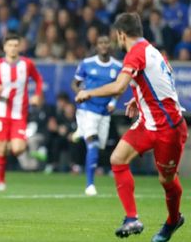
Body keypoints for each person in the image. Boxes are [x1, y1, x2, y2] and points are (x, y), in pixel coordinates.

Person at [76, 12, 187, 241]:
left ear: (120, 34)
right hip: (148, 123)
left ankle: (173, 220)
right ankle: (132, 218)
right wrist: (139, 99)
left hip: (168, 128)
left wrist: (88, 92)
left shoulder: (135, 53)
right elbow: (166, 76)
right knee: (117, 159)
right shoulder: (152, 49)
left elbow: (118, 87)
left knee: (166, 181)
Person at [0, 34, 43, 191]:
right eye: (10, 45)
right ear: (4, 47)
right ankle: (1, 182)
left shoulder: (27, 64)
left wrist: (37, 94)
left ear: (20, 47)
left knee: (18, 149)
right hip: (1, 113)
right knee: (1, 148)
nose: (13, 48)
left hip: (19, 114)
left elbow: (38, 80)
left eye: (16, 45)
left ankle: (13, 142)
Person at [71, 35, 122, 196]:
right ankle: (90, 185)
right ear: (97, 46)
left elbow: (119, 88)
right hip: (88, 109)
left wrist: (114, 101)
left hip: (104, 113)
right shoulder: (87, 63)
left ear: (110, 45)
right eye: (101, 42)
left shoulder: (117, 66)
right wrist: (81, 93)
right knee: (92, 144)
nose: (104, 45)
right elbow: (75, 83)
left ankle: (81, 130)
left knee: (99, 146)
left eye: (106, 42)